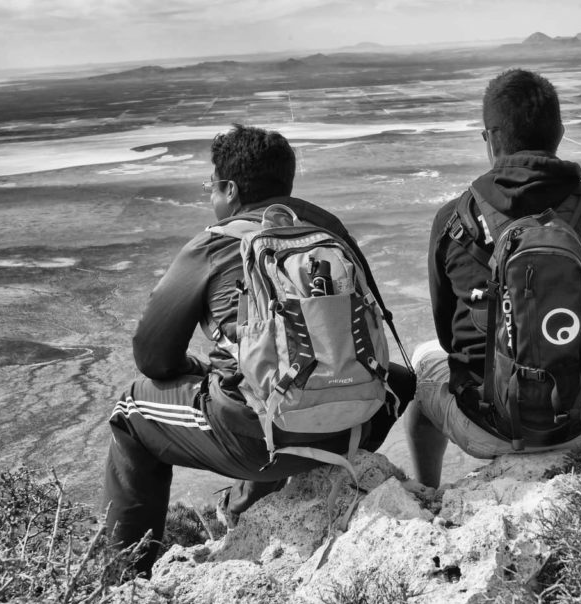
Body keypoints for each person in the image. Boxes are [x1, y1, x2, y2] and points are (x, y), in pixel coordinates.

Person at [103, 124, 414, 575]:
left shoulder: (214, 245)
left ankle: (124, 580)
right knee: (400, 379)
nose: (211, 195)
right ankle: (253, 497)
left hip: (261, 441)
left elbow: (151, 358)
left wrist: (196, 368)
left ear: (230, 188)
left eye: (212, 185)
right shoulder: (330, 234)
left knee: (130, 411)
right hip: (354, 424)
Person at [404, 69, 581, 488]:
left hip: (490, 427)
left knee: (424, 371)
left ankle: (427, 493)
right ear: (561, 133)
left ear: (489, 139)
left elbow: (447, 338)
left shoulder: (452, 220)